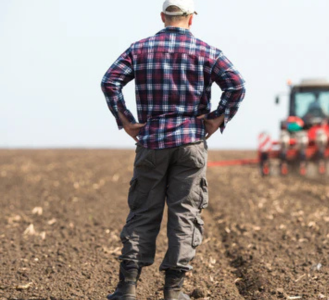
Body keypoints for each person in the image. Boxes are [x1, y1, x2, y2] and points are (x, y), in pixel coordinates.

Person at [100, 0, 246, 299]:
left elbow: (110, 81)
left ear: (163, 16)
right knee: (185, 214)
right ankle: (174, 291)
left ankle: (127, 288)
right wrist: (219, 117)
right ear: (191, 19)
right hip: (191, 143)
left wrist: (126, 121)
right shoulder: (208, 52)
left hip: (151, 142)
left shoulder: (139, 49)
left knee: (143, 212)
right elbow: (237, 85)